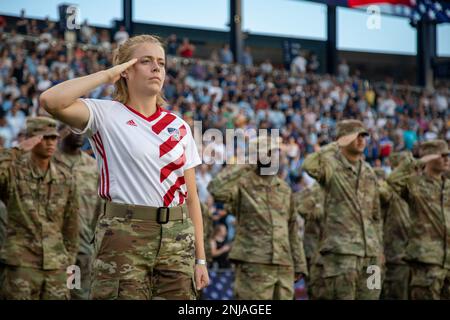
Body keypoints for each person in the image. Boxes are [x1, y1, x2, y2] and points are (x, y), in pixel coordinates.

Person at [40, 34, 209, 300]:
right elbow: (51, 101)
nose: (157, 68)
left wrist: (201, 259)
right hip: (124, 234)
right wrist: (108, 75)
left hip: (178, 240)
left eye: (161, 63)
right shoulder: (105, 113)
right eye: (146, 61)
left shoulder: (179, 126)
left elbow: (192, 198)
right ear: (126, 70)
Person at [208, 136, 308, 300]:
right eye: (269, 153)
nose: (274, 157)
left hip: (283, 265)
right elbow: (217, 189)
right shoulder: (242, 183)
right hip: (253, 264)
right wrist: (248, 163)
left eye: (276, 153)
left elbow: (292, 228)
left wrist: (299, 263)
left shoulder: (284, 188)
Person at [302, 119, 383, 300]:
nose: (361, 140)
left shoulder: (369, 172)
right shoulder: (331, 166)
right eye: (356, 136)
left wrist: (379, 251)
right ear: (343, 139)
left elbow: (376, 216)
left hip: (371, 257)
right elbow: (309, 165)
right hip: (342, 254)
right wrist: (335, 145)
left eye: (363, 136)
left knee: (372, 296)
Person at [0, 117, 79, 300]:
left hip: (57, 265)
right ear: (30, 139)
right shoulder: (14, 171)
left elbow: (71, 225)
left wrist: (70, 265)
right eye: (44, 138)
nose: (50, 143)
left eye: (54, 138)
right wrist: (18, 150)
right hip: (21, 263)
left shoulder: (64, 177)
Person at [387, 140, 450, 300]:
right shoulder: (415, 184)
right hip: (426, 261)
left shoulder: (448, 186)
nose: (446, 159)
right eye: (442, 155)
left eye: (448, 155)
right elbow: (393, 180)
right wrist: (418, 161)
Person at [54, 127, 103, 300]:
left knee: (79, 293)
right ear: (60, 133)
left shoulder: (92, 167)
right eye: (73, 130)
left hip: (83, 244)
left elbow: (100, 206)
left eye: (82, 130)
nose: (79, 134)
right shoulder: (49, 162)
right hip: (51, 246)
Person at [380, 151, 412, 300]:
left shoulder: (415, 190)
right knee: (375, 292)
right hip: (388, 258)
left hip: (412, 258)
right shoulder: (387, 191)